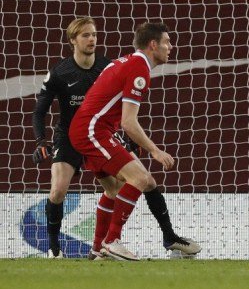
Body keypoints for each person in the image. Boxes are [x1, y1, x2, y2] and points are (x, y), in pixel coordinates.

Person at [33, 17, 199, 260]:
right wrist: (154, 150)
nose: (170, 47)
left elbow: (108, 107)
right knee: (139, 178)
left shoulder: (120, 62)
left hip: (94, 130)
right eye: (166, 42)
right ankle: (110, 242)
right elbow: (128, 122)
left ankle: (99, 249)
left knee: (119, 187)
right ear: (152, 44)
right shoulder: (138, 68)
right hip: (90, 131)